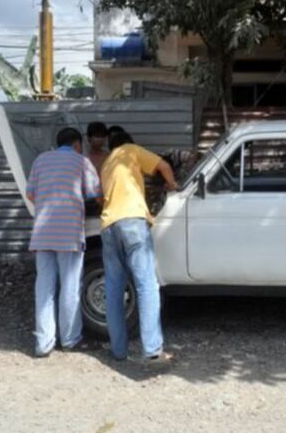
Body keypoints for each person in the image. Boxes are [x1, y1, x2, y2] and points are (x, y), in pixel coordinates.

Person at [100, 130, 178, 362]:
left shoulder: (106, 164)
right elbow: (163, 165)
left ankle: (118, 350)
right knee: (147, 285)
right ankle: (153, 351)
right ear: (129, 143)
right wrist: (172, 185)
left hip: (108, 226)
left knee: (114, 291)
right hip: (132, 221)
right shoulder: (131, 150)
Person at [26, 127, 101, 357]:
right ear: (77, 144)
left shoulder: (40, 160)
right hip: (69, 235)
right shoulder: (82, 162)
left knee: (44, 288)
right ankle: (69, 339)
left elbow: (30, 194)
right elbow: (94, 196)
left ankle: (44, 343)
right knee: (69, 286)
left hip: (42, 234)